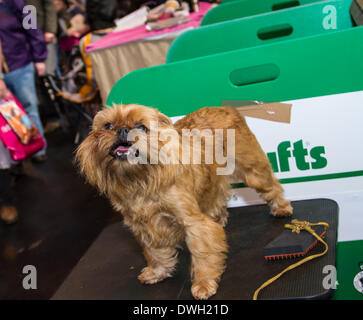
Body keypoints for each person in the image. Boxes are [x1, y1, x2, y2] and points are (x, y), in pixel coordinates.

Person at [0, 0, 48, 162]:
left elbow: (33, 28)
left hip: (21, 65)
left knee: (29, 107)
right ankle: (14, 156)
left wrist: (39, 57)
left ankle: (38, 148)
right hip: (2, 73)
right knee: (5, 116)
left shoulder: (17, 3)